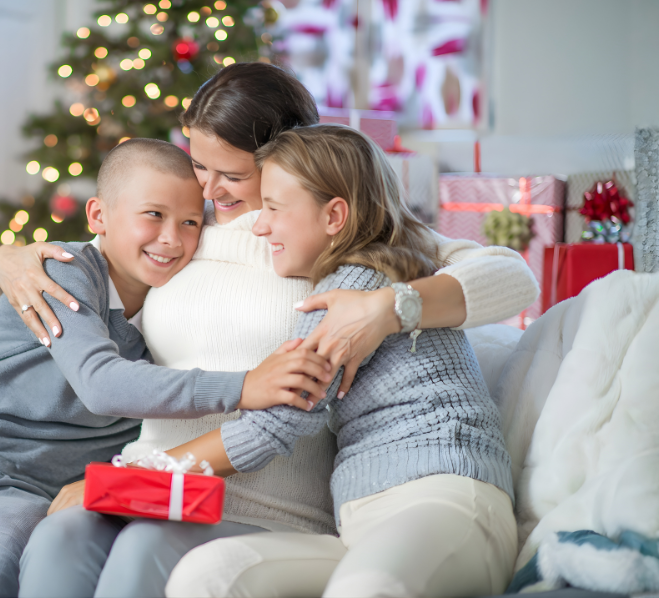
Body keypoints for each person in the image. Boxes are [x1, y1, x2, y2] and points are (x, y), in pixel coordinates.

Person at [9, 64, 537, 597]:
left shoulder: (346, 248)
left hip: (270, 506)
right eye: (198, 165)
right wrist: (10, 262)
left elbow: (512, 277)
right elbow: (77, 274)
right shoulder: (183, 228)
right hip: (176, 488)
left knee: (149, 546)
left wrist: (388, 307)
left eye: (231, 175)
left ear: (289, 158)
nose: (208, 190)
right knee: (62, 535)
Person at [0, 139, 333, 598]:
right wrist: (247, 385)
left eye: (189, 223)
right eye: (152, 216)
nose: (171, 238)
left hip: (25, 487)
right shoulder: (64, 271)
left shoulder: (171, 318)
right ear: (97, 215)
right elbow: (102, 384)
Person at [165, 124, 516, 598]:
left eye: (272, 209)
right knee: (209, 574)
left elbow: (268, 429)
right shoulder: (346, 283)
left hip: (444, 501)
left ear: (334, 216)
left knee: (367, 588)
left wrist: (120, 481)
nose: (260, 225)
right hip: (359, 524)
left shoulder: (352, 288)